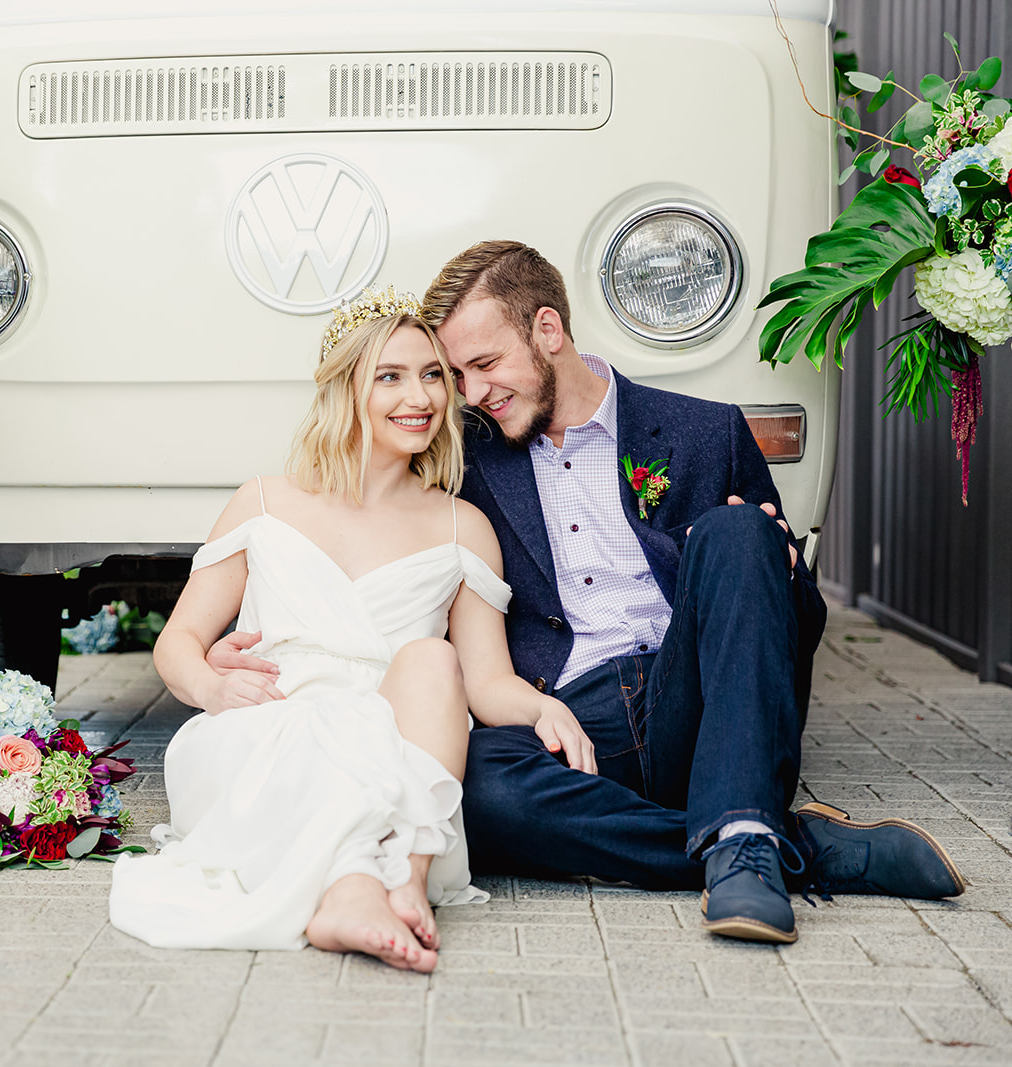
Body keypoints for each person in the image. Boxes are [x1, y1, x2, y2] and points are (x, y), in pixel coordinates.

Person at [213, 242, 964, 944]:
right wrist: (254, 627)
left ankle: (741, 834)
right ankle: (765, 837)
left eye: (484, 363)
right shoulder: (461, 459)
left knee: (735, 534)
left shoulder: (708, 434)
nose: (470, 393)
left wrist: (775, 562)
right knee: (468, 787)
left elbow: (793, 628)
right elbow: (372, 532)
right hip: (566, 720)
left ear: (547, 329)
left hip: (691, 697)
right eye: (458, 374)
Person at [107, 288, 594, 973]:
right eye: (389, 376)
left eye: (431, 374)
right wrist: (212, 687)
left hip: (393, 729)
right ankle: (353, 891)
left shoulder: (463, 527)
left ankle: (403, 877)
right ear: (346, 389)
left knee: (430, 659)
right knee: (317, 729)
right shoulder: (266, 501)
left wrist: (541, 704)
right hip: (266, 720)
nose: (418, 396)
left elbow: (485, 683)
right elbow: (177, 641)